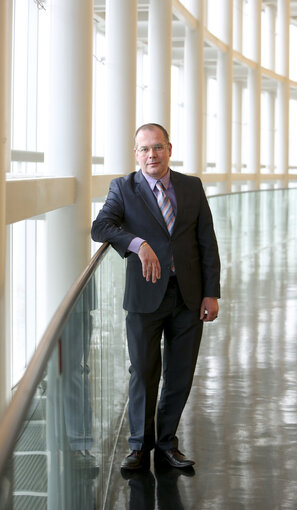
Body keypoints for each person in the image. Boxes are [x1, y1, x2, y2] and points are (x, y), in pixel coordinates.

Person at [91, 123, 220, 471]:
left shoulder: (191, 187)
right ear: (136, 154)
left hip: (189, 296)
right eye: (145, 149)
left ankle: (166, 444)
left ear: (169, 149)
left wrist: (211, 294)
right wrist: (138, 244)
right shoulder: (123, 188)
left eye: (158, 147)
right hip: (145, 298)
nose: (152, 155)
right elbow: (100, 227)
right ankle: (138, 447)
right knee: (144, 372)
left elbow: (207, 241)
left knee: (180, 373)